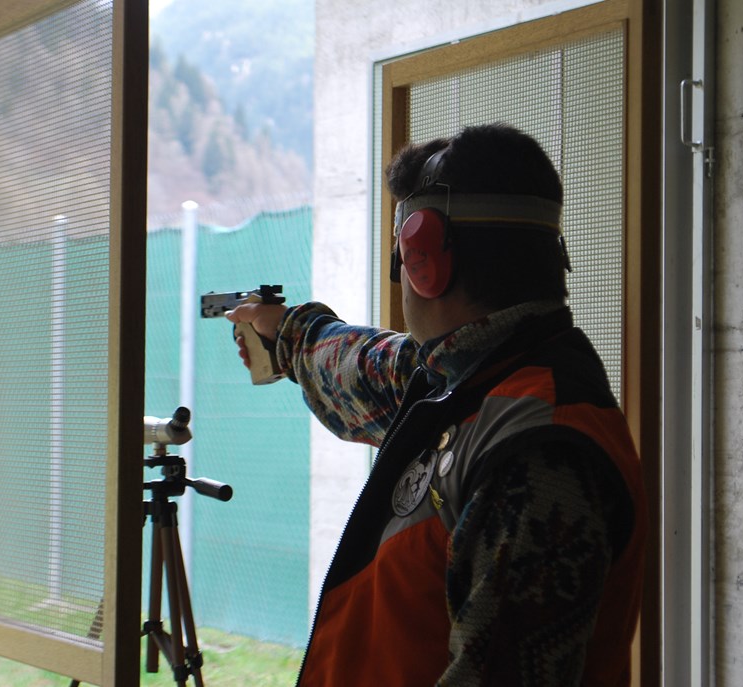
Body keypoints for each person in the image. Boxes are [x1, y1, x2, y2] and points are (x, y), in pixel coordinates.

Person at [226, 123, 646, 686]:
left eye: (402, 257)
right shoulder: (471, 376)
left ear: (425, 261)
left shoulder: (536, 454)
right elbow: (359, 366)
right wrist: (283, 333)